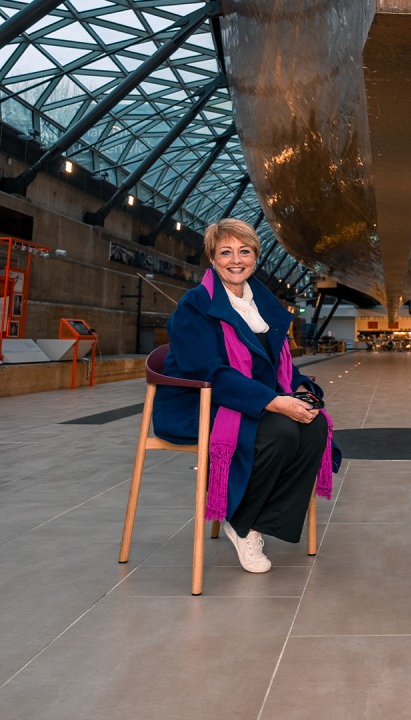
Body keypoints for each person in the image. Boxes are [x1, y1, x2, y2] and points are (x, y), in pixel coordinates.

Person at [153, 218, 335, 574]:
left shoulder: (262, 304)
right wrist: (273, 402)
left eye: (244, 251)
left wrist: (299, 390)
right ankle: (241, 521)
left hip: (249, 398)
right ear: (212, 258)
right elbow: (209, 372)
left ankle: (257, 519)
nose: (235, 260)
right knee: (279, 432)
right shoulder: (196, 306)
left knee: (314, 430)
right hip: (201, 403)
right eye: (225, 252)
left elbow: (272, 365)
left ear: (255, 256)